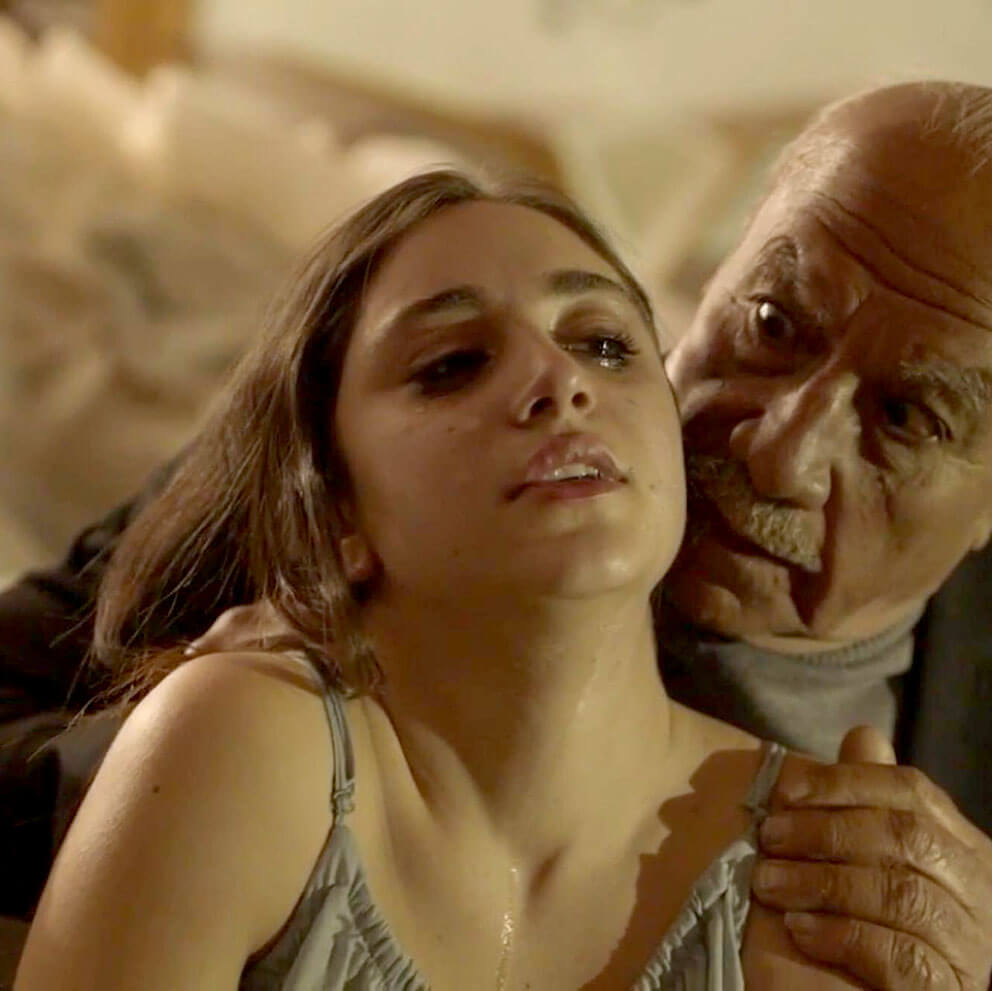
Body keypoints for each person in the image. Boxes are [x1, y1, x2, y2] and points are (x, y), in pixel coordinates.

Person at [3, 81, 992, 988]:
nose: (779, 455)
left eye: (907, 418)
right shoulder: (332, 468)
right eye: (772, 323)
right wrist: (180, 771)